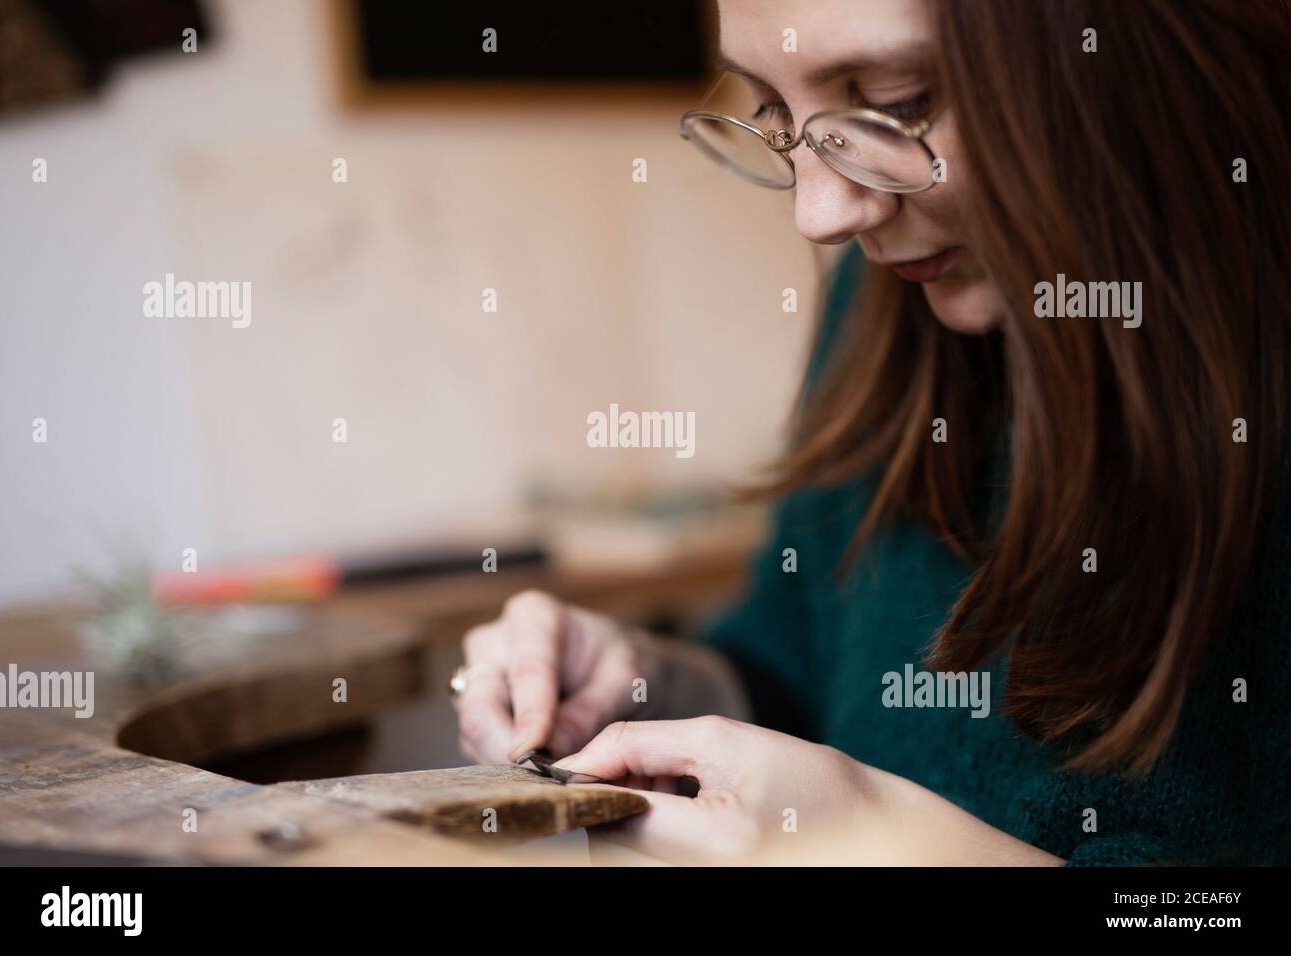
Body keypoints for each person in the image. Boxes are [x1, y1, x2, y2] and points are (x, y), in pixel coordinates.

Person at [450, 0, 1291, 864]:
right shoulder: (889, 301)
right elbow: (801, 670)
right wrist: (649, 682)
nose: (822, 214)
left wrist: (897, 848)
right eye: (774, 111)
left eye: (895, 101)